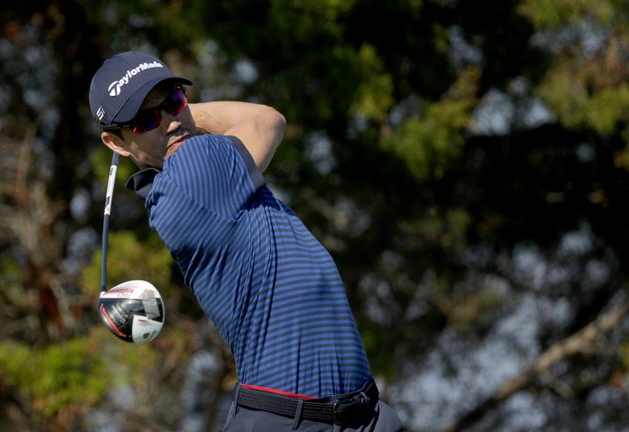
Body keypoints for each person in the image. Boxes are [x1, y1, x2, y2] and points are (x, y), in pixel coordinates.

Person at [89, 51, 403, 431]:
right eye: (143, 119)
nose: (170, 123)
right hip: (290, 422)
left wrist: (164, 118)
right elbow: (265, 119)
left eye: (173, 100)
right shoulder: (195, 168)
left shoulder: (185, 181)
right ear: (116, 142)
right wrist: (184, 114)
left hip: (363, 413)